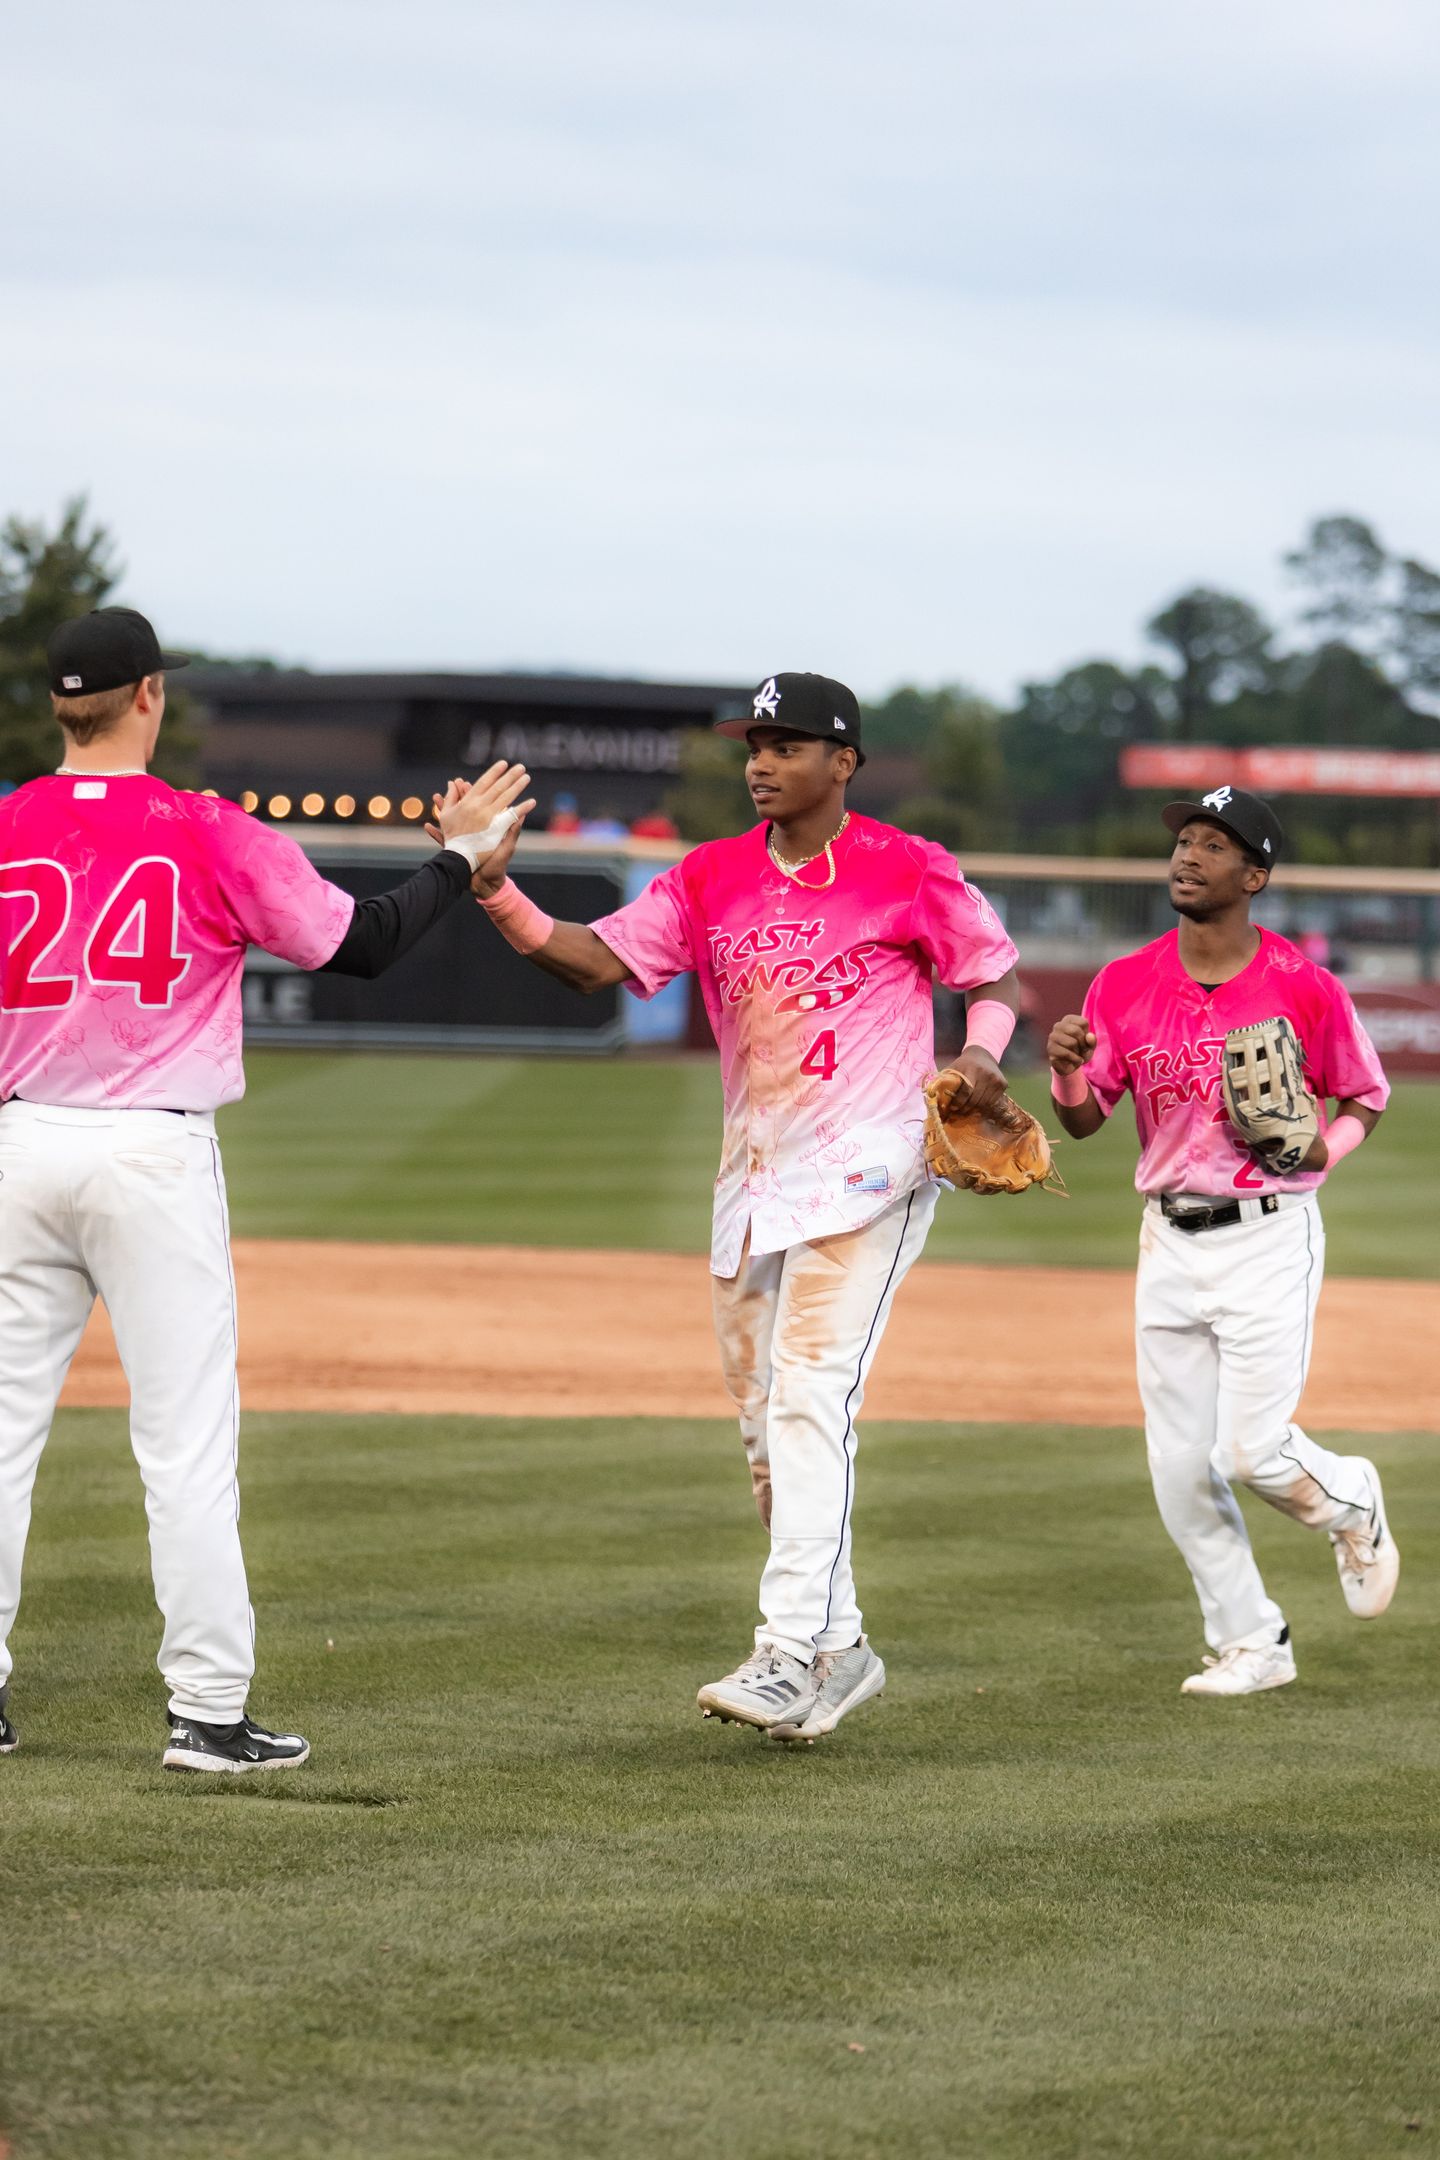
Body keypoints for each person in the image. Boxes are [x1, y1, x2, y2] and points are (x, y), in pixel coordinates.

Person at [0, 606, 532, 1772]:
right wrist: (459, 859)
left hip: (21, 1140)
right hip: (153, 1150)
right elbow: (365, 944)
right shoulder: (205, 829)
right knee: (184, 1442)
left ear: (59, 706)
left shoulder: (7, 823)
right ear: (149, 695)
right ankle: (205, 1712)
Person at [459, 672, 1020, 1742]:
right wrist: (494, 887)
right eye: (755, 744)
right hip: (757, 1180)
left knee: (810, 1396)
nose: (762, 761)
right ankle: (842, 1650)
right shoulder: (710, 876)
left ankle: (783, 1652)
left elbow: (993, 978)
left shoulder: (908, 866)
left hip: (872, 1170)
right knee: (767, 1428)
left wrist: (982, 1054)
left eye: (787, 744)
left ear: (843, 761)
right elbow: (595, 962)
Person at [1046, 785, 1396, 1697]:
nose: (1189, 855)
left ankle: (1352, 1498)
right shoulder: (1123, 982)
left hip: (1268, 1237)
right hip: (1167, 1240)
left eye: (1214, 844)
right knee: (1176, 1468)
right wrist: (1067, 1074)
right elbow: (1086, 1118)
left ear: (1255, 876)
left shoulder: (1304, 985)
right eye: (1185, 840)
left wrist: (1326, 1149)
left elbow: (1365, 1094)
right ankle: (1252, 1640)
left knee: (1253, 1453)